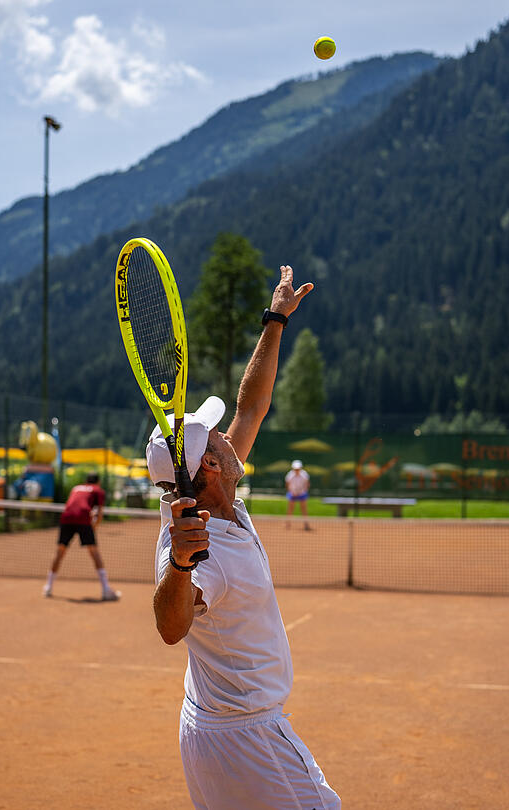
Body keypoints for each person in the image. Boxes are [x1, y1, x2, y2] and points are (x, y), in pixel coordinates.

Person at [148, 265, 340, 810]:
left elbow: (252, 404)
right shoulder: (197, 542)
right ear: (210, 463)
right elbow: (170, 627)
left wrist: (275, 319)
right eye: (218, 436)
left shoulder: (218, 499)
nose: (231, 435)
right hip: (247, 738)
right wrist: (181, 565)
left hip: (212, 727)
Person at [43, 473, 120, 601]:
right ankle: (106, 589)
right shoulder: (98, 490)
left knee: (60, 551)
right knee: (94, 552)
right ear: (98, 482)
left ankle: (48, 587)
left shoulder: (76, 488)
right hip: (83, 518)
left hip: (66, 518)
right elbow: (99, 513)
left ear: (86, 481)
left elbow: (73, 504)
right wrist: (94, 528)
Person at [284, 459, 312, 530]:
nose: (297, 470)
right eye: (295, 469)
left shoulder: (304, 474)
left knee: (304, 509)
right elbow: (287, 484)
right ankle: (288, 523)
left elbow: (307, 484)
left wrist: (303, 491)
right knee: (290, 509)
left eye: (298, 468)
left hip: (302, 493)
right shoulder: (290, 475)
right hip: (292, 494)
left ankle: (306, 524)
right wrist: (291, 492)